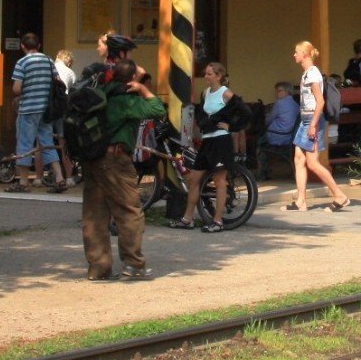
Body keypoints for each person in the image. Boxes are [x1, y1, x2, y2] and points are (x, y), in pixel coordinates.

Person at [77, 57, 165, 279]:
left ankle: (98, 267)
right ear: (133, 78)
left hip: (92, 158)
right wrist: (143, 89)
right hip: (115, 159)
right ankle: (133, 264)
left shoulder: (100, 93)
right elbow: (157, 109)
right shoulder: (126, 100)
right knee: (129, 211)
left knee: (94, 214)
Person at [173, 62, 245, 232]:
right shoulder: (205, 93)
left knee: (219, 181)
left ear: (219, 76)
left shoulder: (226, 93)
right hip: (207, 141)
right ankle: (187, 219)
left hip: (221, 141)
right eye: (205, 73)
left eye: (209, 74)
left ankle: (218, 221)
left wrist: (231, 127)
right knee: (194, 179)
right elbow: (203, 113)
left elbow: (245, 113)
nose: (205, 76)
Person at [287, 40, 350, 211]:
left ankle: (339, 195)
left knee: (313, 163)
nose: (294, 54)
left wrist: (313, 125)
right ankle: (301, 201)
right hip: (305, 118)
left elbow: (320, 101)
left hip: (313, 119)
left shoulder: (313, 74)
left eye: (297, 52)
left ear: (304, 54)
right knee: (299, 158)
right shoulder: (306, 73)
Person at [10, 33, 58, 192]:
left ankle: (23, 182)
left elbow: (17, 89)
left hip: (28, 109)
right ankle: (60, 178)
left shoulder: (22, 63)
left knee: (24, 143)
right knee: (47, 143)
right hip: (46, 110)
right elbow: (57, 82)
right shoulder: (49, 61)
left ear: (22, 46)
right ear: (39, 45)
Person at [51, 49, 81, 187]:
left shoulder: (50, 69)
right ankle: (69, 177)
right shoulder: (70, 73)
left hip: (49, 110)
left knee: (44, 142)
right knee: (63, 144)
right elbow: (75, 93)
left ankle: (39, 177)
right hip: (63, 111)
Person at [263, 82, 299, 178]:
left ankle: (263, 172)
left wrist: (265, 124)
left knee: (259, 142)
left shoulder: (279, 103)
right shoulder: (295, 104)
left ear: (287, 91)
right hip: (289, 137)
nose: (277, 93)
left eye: (279, 91)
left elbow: (269, 119)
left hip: (277, 136)